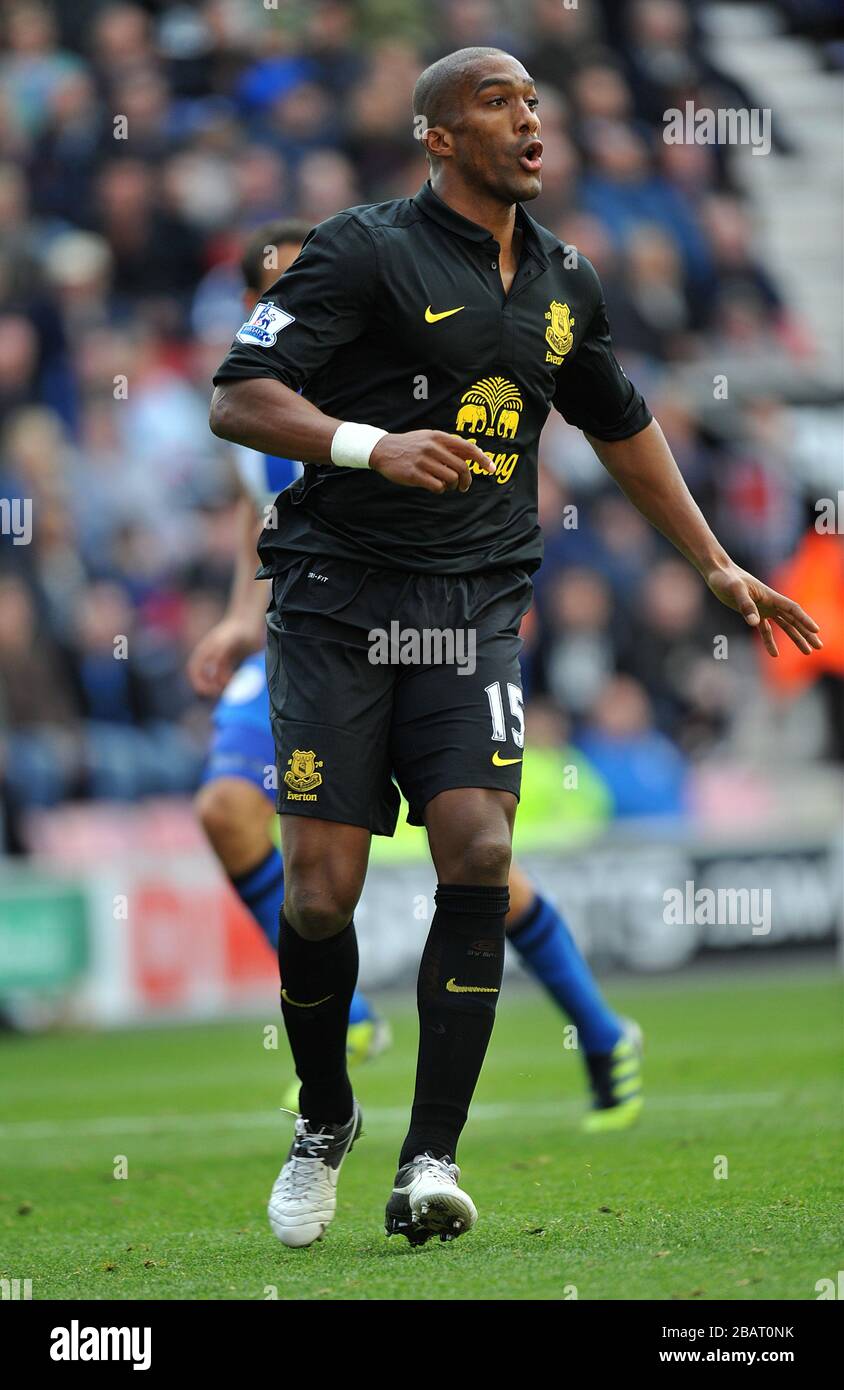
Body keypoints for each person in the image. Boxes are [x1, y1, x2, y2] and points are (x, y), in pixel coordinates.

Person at [209, 48, 821, 1250]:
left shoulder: (564, 278)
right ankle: (325, 1115)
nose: (529, 118)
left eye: (535, 99)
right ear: (438, 135)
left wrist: (710, 562)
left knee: (479, 844)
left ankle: (429, 1154)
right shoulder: (361, 247)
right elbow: (239, 392)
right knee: (322, 893)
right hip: (335, 600)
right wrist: (368, 445)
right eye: (497, 101)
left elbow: (622, 422)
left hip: (470, 603)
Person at [196, 219, 649, 1125]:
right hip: (309, 624)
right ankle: (352, 1021)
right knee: (231, 813)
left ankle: (599, 1029)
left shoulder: (392, 375)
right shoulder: (268, 397)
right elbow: (270, 525)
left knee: (476, 854)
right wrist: (241, 621)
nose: (281, 299)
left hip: (426, 621)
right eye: (269, 287)